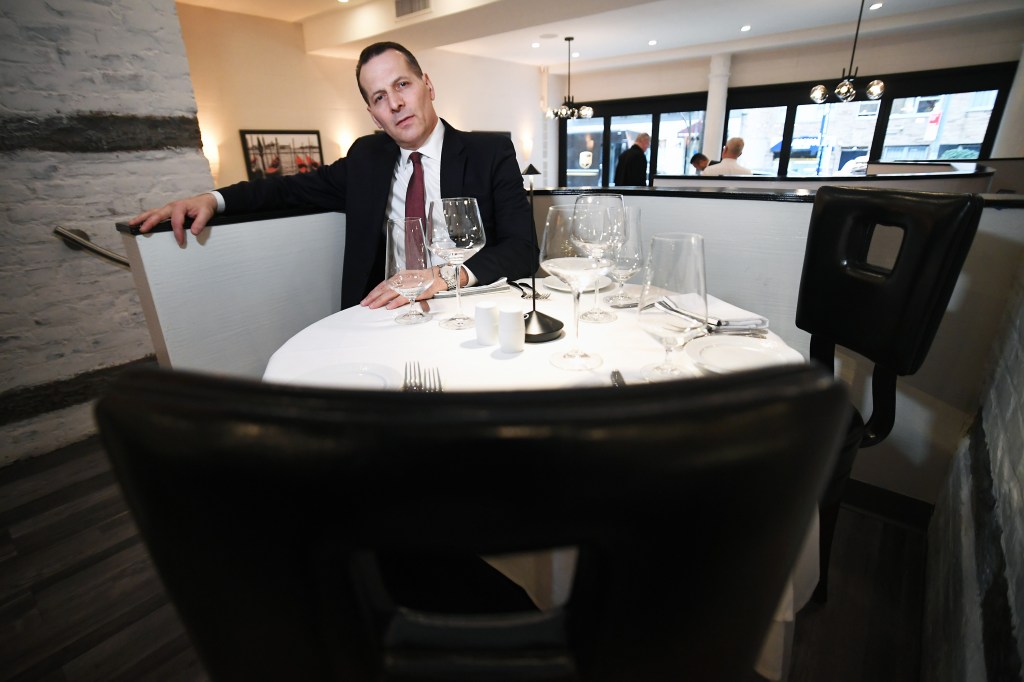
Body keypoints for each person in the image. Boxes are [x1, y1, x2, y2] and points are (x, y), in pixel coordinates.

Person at [130, 42, 536, 313]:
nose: (394, 103)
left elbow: (522, 250)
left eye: (402, 85)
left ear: (427, 85)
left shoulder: (488, 153)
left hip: (467, 307)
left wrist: (442, 277)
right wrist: (212, 200)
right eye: (379, 98)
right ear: (373, 115)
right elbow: (286, 190)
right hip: (386, 314)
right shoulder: (366, 158)